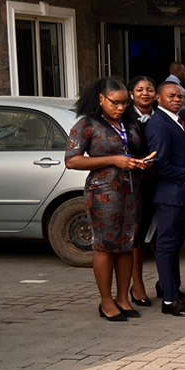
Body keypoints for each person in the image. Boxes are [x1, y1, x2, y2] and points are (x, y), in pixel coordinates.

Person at [65, 78, 151, 321]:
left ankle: (123, 298)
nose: (121, 107)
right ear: (101, 99)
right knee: (105, 246)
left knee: (126, 245)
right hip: (103, 193)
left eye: (125, 103)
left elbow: (134, 151)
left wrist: (141, 162)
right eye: (115, 103)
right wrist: (113, 160)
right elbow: (72, 160)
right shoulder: (87, 124)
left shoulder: (130, 123)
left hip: (131, 192)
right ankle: (106, 301)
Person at [145, 80, 185, 317]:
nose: (177, 99)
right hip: (171, 196)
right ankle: (169, 300)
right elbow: (160, 164)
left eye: (180, 96)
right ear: (158, 98)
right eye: (171, 96)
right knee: (167, 247)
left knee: (175, 246)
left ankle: (174, 292)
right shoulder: (159, 124)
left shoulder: (176, 120)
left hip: (183, 196)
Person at [128, 75, 159, 306]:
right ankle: (137, 284)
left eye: (149, 89)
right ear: (131, 94)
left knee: (162, 234)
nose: (145, 93)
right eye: (140, 89)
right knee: (138, 235)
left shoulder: (162, 115)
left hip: (162, 180)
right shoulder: (125, 118)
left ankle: (166, 282)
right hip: (136, 183)